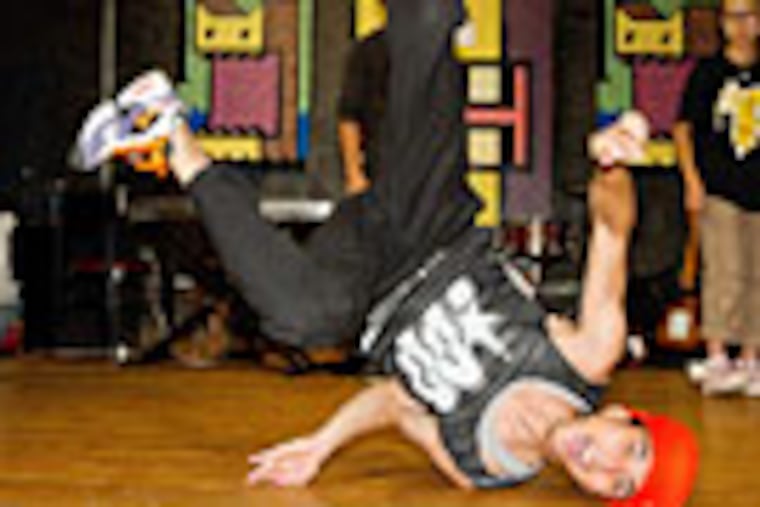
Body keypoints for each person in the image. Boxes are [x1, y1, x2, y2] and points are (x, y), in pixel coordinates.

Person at [74, 0, 698, 503]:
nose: (606, 464)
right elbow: (612, 228)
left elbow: (396, 406)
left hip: (367, 290)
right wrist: (613, 165)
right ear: (622, 417)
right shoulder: (587, 356)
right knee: (428, 25)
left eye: (619, 485)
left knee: (303, 319)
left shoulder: (477, 465)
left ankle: (172, 136)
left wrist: (321, 446)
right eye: (632, 451)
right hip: (433, 226)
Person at [674, 0, 760, 396]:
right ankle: (717, 354)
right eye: (732, 17)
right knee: (724, 269)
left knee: (756, 273)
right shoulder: (709, 73)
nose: (741, 26)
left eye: (749, 16)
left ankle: (751, 357)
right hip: (720, 187)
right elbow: (684, 130)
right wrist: (692, 181)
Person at [337, 4, 389, 196]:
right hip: (380, 172)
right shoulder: (369, 50)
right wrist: (354, 175)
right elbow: (349, 115)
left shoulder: (436, 55)